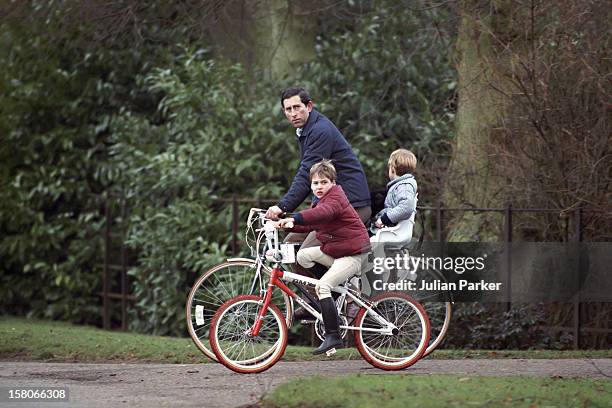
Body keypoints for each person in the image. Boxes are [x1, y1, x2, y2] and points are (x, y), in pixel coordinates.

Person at [276, 160, 370, 355]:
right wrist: (287, 224)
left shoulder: (335, 198)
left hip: (353, 254)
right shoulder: (320, 200)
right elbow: (313, 224)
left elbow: (321, 214)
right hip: (338, 251)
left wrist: (295, 218)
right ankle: (332, 295)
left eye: (324, 182)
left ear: (333, 183)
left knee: (322, 286)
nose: (319, 187)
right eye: (315, 183)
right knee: (302, 256)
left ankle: (333, 335)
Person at [366, 149, 418, 295]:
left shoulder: (405, 185)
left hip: (393, 230)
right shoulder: (401, 184)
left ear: (393, 168)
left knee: (361, 248)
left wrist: (383, 219)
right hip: (391, 228)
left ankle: (376, 291)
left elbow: (406, 207)